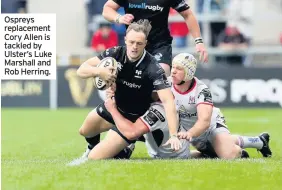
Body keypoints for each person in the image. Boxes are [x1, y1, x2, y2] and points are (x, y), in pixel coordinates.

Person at [102, 53, 272, 159]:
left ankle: (248, 147)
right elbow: (142, 94)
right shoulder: (165, 85)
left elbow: (205, 121)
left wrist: (189, 134)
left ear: (189, 72)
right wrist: (116, 90)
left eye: (179, 69)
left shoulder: (201, 90)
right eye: (173, 67)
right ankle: (260, 141)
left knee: (227, 154)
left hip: (209, 128)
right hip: (190, 134)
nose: (173, 71)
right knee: (212, 152)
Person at [68, 19, 181, 165]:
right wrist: (100, 72)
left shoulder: (153, 67)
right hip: (114, 106)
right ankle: (92, 147)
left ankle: (126, 147)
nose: (134, 47)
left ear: (145, 43)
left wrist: (174, 135)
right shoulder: (115, 53)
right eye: (132, 42)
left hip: (132, 119)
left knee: (95, 158)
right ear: (125, 40)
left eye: (139, 43)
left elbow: (168, 101)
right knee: (85, 131)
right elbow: (81, 70)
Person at [102, 0, 208, 76]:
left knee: (161, 74)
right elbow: (107, 8)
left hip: (160, 44)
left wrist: (198, 41)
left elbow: (188, 14)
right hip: (135, 45)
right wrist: (119, 18)